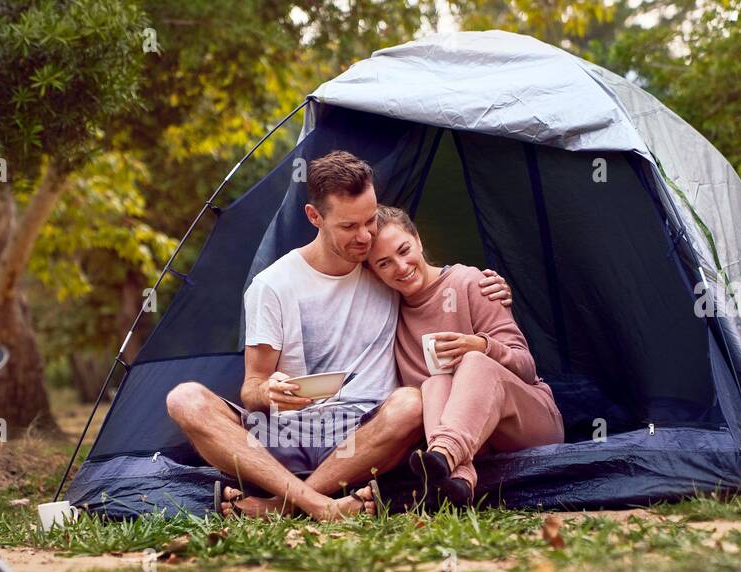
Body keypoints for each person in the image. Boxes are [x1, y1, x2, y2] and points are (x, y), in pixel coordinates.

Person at [165, 151, 512, 519]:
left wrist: (486, 285)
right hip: (287, 433)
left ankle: (284, 505)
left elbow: (429, 276)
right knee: (184, 398)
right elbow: (252, 387)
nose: (364, 237)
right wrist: (268, 390)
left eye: (370, 221)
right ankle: (318, 504)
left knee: (412, 402)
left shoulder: (384, 269)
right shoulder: (272, 286)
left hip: (364, 433)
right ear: (315, 217)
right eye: (349, 227)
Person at [365, 204, 563, 505]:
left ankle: (442, 456)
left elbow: (525, 366)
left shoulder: (471, 282)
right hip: (477, 447)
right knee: (433, 383)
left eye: (404, 250)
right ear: (375, 273)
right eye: (384, 263)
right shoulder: (388, 314)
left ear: (418, 240)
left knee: (473, 362)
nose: (401, 267)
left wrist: (482, 346)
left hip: (528, 424)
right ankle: (458, 483)